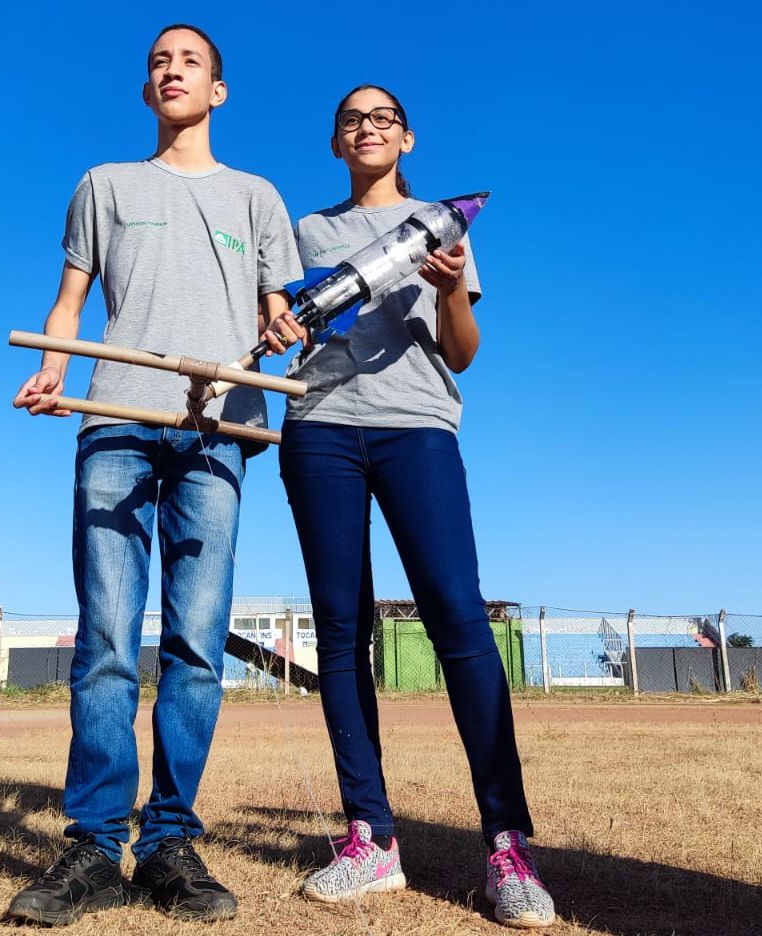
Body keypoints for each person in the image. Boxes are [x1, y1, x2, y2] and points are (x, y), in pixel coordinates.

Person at [8, 24, 301, 926]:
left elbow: (277, 315)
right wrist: (54, 367)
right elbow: (70, 300)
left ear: (219, 90)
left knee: (197, 644)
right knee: (105, 636)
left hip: (216, 430)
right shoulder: (105, 184)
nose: (172, 70)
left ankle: (170, 841)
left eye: (190, 61)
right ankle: (96, 848)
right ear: (147, 90)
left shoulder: (257, 196)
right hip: (117, 421)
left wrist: (282, 328)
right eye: (158, 63)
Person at [267, 85, 556, 928]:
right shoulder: (304, 233)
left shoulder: (443, 226)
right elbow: (281, 322)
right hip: (318, 428)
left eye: (382, 118)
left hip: (418, 428)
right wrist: (283, 325)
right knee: (341, 629)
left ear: (408, 138)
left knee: (459, 618)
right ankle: (372, 839)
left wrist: (453, 288)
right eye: (351, 120)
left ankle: (506, 845)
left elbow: (461, 354)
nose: (367, 128)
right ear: (334, 142)